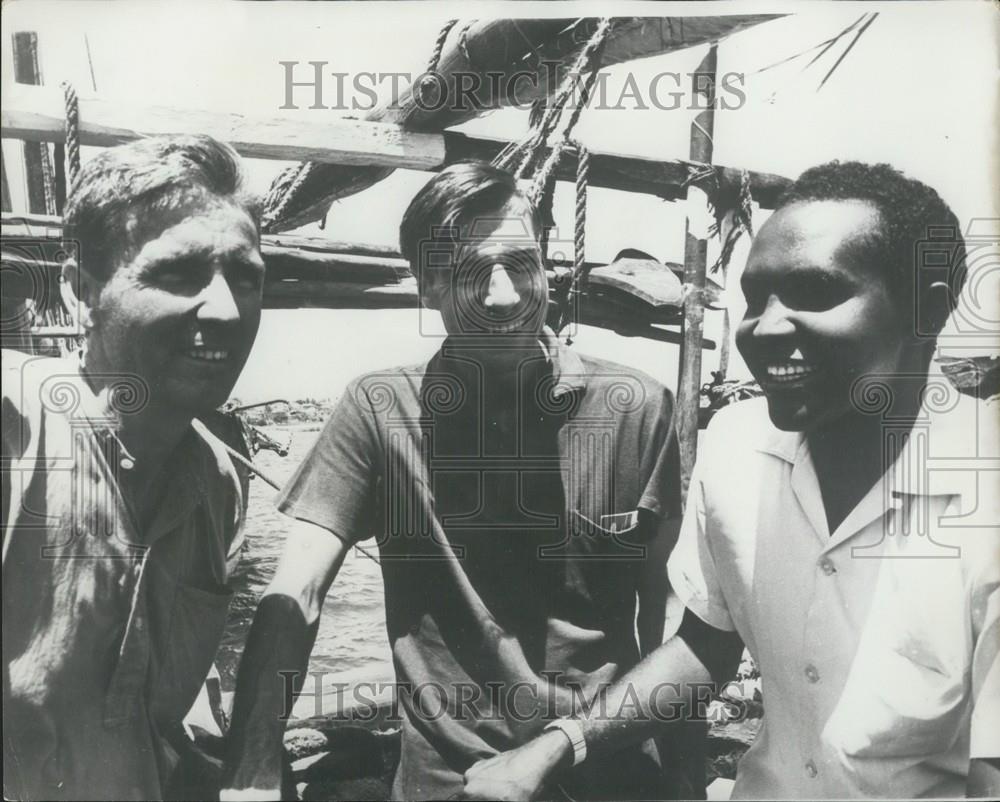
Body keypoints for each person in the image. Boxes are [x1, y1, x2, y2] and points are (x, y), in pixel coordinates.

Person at [461, 161, 1000, 800]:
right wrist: (561, 744)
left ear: (928, 310)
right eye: (753, 297)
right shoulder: (739, 445)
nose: (763, 328)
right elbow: (706, 644)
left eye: (815, 293)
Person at [223, 161, 697, 800]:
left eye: (522, 265)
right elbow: (297, 592)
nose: (504, 296)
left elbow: (668, 619)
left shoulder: (636, 406)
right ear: (428, 289)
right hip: (450, 783)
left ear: (547, 269)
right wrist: (251, 773)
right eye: (469, 273)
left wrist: (688, 785)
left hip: (607, 768)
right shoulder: (379, 410)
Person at [2, 135, 265, 800]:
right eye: (177, 275)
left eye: (247, 277)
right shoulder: (14, 434)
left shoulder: (218, 482)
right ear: (79, 290)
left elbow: (163, 717)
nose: (228, 310)